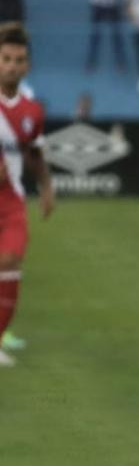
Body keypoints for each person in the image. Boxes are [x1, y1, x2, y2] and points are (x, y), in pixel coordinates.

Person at [0, 23, 55, 367]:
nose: (11, 65)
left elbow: (34, 154)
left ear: (27, 66)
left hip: (11, 202)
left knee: (10, 261)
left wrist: (47, 187)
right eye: (5, 58)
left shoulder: (32, 111)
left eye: (18, 59)